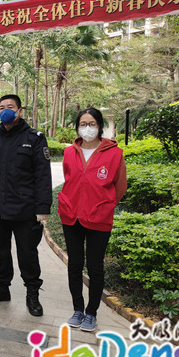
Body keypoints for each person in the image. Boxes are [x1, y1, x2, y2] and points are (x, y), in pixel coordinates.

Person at [0, 94, 51, 316]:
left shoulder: (34, 138)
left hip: (25, 210)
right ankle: (1, 289)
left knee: (27, 254)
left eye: (10, 106)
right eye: (1, 107)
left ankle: (32, 294)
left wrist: (43, 208)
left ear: (19, 111)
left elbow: (43, 176)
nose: (5, 111)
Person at [59, 107, 127, 332]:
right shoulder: (70, 152)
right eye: (83, 124)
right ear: (77, 127)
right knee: (74, 265)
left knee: (95, 267)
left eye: (92, 124)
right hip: (71, 216)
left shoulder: (114, 154)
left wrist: (104, 206)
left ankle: (91, 313)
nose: (87, 128)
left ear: (99, 126)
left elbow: (120, 186)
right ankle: (77, 310)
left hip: (99, 218)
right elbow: (69, 180)